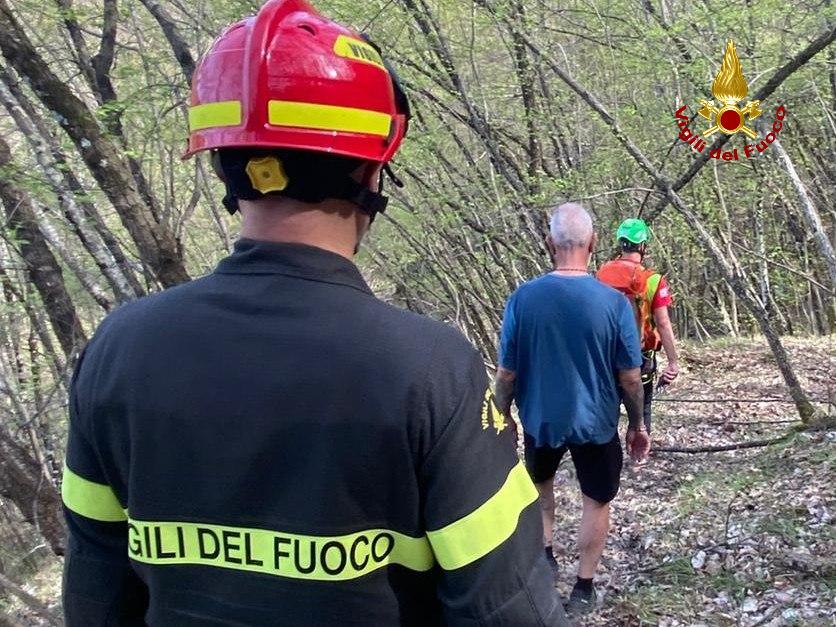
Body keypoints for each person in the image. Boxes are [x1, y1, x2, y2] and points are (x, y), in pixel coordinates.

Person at [60, 1, 567, 625]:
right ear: (369, 169)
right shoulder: (430, 370)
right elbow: (508, 609)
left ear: (222, 161)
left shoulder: (116, 351)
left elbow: (95, 594)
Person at [494, 203, 650, 616]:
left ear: (549, 243)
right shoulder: (613, 304)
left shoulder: (522, 299)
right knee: (595, 500)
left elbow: (507, 373)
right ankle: (583, 587)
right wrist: (637, 424)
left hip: (540, 419)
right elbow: (631, 377)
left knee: (541, 487)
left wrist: (501, 416)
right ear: (594, 243)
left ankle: (544, 560)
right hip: (596, 422)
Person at [597, 218, 680, 433]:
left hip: (605, 356)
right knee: (642, 413)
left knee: (607, 414)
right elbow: (662, 323)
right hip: (639, 358)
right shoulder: (652, 280)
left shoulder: (601, 274)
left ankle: (608, 459)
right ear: (643, 245)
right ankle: (640, 456)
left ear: (621, 243)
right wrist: (673, 362)